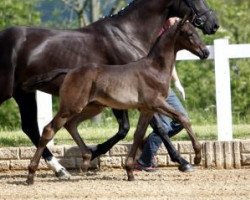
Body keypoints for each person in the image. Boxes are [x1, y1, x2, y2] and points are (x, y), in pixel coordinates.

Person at [135, 17, 189, 172]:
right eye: (176, 17)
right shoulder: (155, 34)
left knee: (181, 120)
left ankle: (148, 145)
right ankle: (144, 161)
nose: (178, 19)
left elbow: (168, 63)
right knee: (164, 126)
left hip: (165, 88)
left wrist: (177, 82)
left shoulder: (171, 33)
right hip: (151, 89)